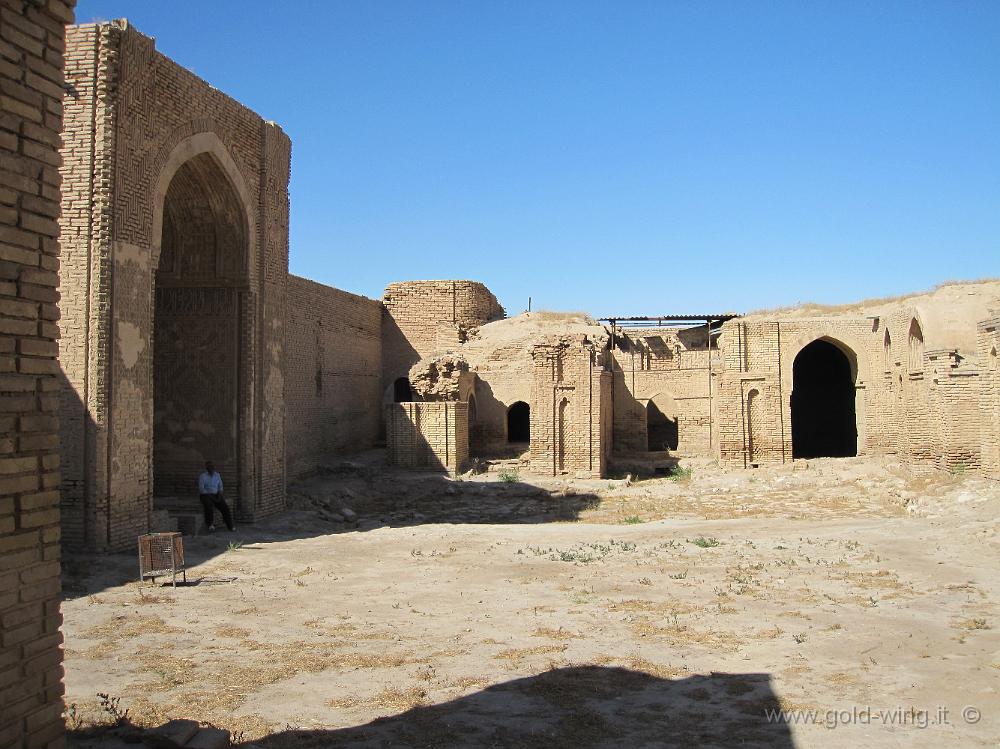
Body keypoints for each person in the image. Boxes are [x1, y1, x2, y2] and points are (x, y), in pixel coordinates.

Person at [198, 460, 235, 532]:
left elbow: (220, 487)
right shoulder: (203, 476)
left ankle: (230, 526)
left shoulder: (217, 475)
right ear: (207, 468)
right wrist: (211, 497)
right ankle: (210, 525)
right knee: (208, 506)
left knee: (225, 507)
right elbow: (202, 489)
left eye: (212, 467)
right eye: (209, 467)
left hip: (216, 494)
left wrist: (219, 496)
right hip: (206, 495)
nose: (211, 468)